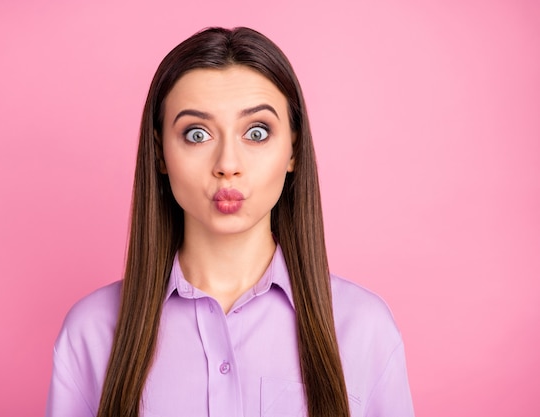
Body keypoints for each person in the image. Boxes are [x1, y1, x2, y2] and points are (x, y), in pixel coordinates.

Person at [45, 27, 414, 417]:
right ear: (159, 155)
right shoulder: (92, 333)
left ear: (294, 150)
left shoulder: (364, 330)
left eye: (256, 133)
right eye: (197, 133)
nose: (227, 165)